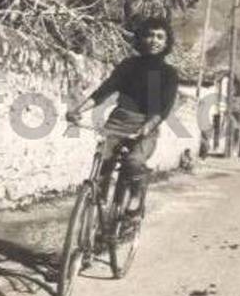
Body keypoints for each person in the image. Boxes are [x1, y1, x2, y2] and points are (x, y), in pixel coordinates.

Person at [65, 16, 179, 224]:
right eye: (149, 35)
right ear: (141, 38)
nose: (154, 40)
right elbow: (104, 91)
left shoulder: (169, 73)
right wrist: (78, 110)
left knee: (133, 162)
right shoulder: (128, 65)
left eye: (159, 37)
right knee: (103, 163)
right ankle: (96, 215)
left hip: (146, 126)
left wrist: (146, 128)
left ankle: (136, 196)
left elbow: (163, 109)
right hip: (117, 122)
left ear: (166, 42)